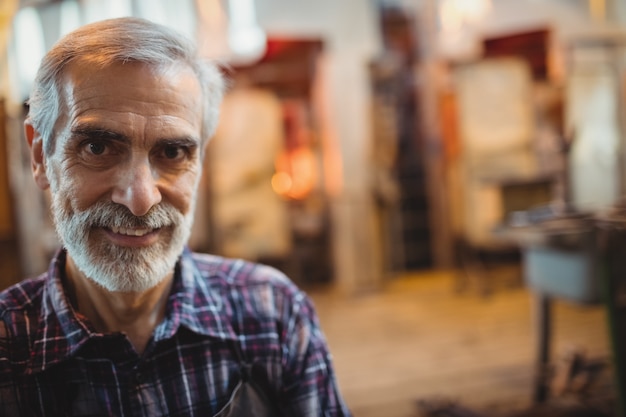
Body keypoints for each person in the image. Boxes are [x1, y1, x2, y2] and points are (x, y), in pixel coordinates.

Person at [0, 17, 351, 416]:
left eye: (172, 153)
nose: (140, 200)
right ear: (41, 156)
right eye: (97, 147)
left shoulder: (273, 317)